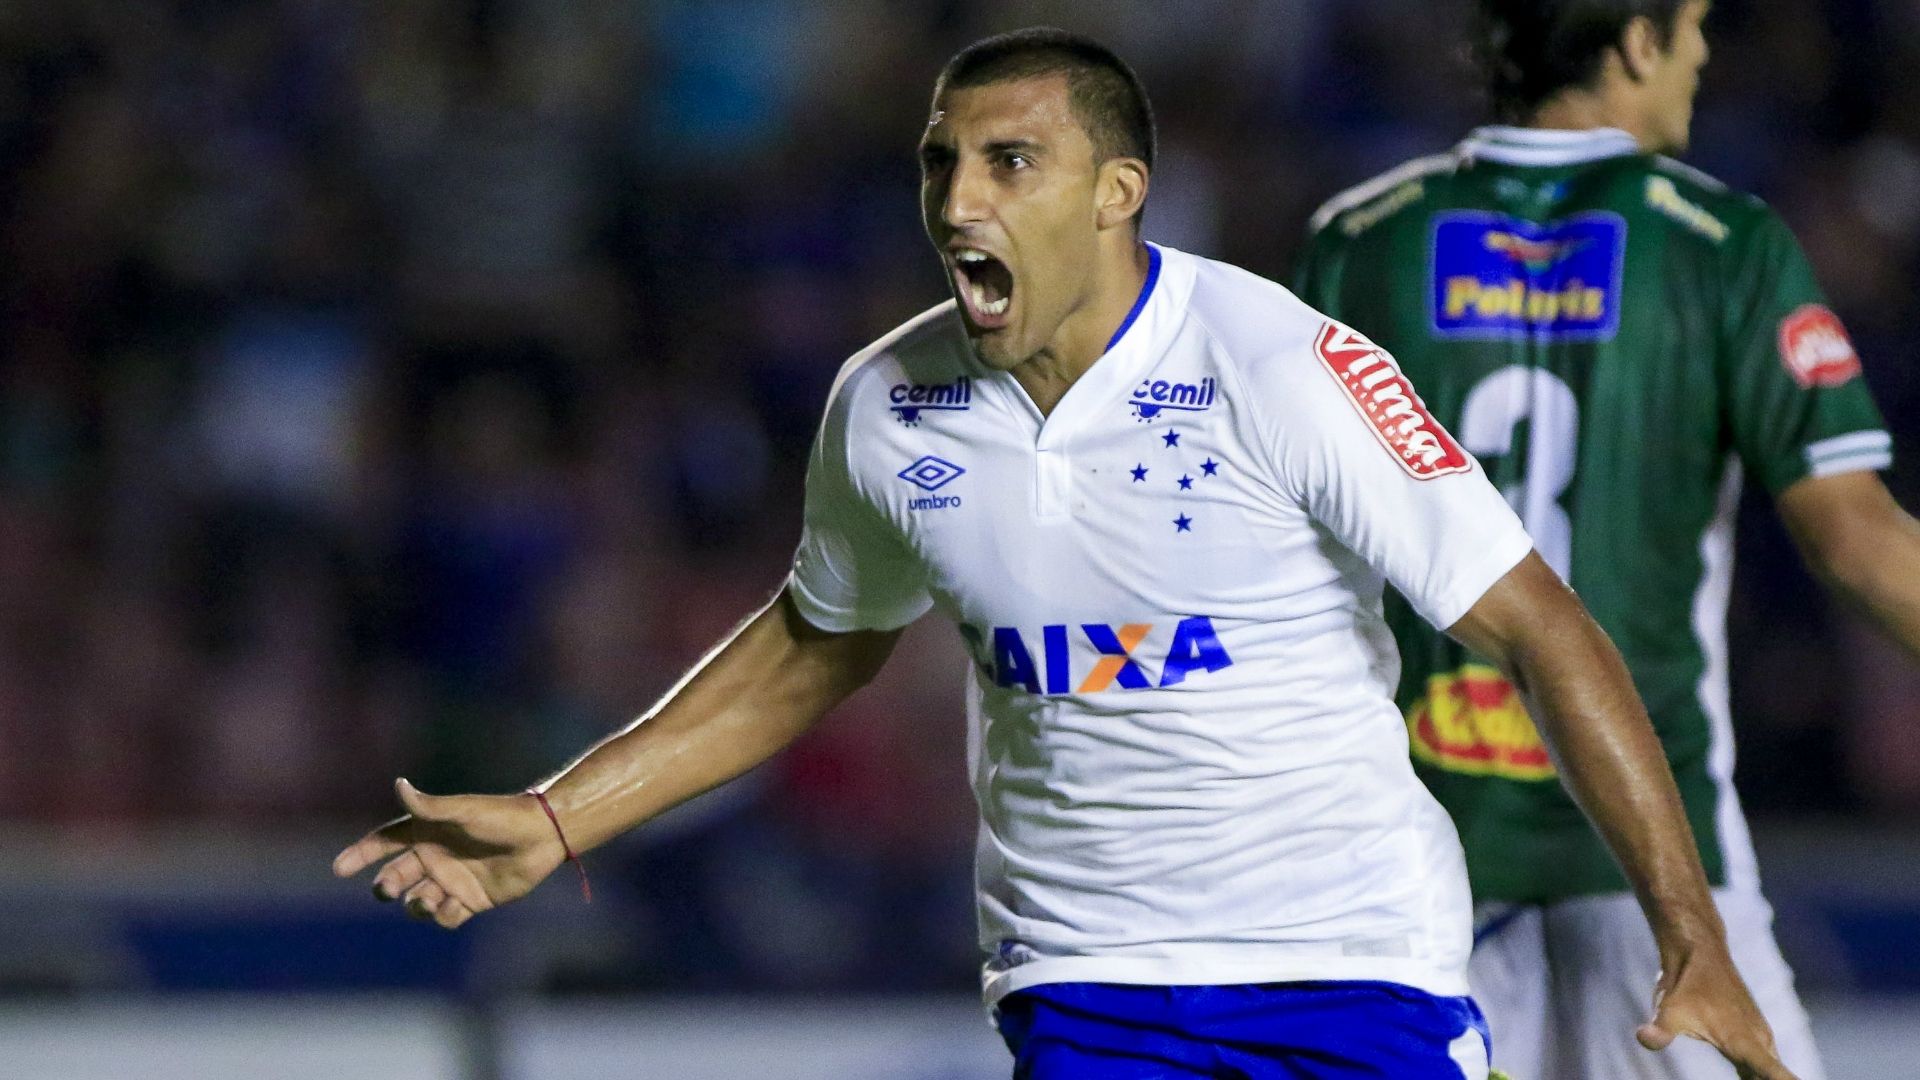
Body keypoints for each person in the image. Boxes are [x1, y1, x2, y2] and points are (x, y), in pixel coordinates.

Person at [337, 27, 1792, 1080]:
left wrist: (1691, 933)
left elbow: (1545, 628)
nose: (961, 198)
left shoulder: (1280, 366)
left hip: (1350, 979)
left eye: (1010, 161)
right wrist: (563, 814)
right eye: (943, 162)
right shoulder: (889, 406)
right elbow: (821, 639)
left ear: (1117, 192)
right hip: (1085, 990)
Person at [1293, 2, 1920, 1078]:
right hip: (1660, 872)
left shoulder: (1357, 239)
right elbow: (1858, 541)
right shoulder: (1725, 245)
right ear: (1638, 39)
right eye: (1694, 23)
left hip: (1410, 875)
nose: (1707, 52)